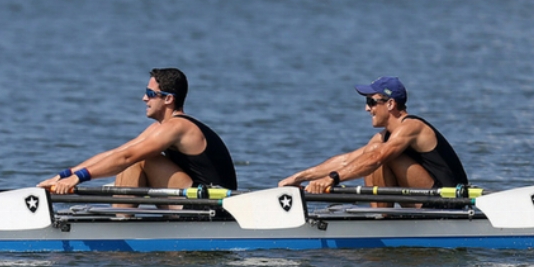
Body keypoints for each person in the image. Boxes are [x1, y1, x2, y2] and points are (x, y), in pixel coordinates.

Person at [39, 68, 237, 194]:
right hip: (191, 196)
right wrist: (64, 175)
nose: (144, 98)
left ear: (168, 99)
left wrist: (78, 179)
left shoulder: (178, 127)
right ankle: (121, 222)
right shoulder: (159, 128)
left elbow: (127, 157)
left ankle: (121, 227)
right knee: (129, 157)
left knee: (139, 158)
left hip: (212, 204)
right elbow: (117, 153)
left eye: (151, 94)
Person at [279, 76, 468, 200]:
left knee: (376, 155)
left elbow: (376, 158)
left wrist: (332, 179)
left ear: (391, 104)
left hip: (449, 201)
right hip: (424, 199)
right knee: (371, 152)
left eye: (371, 102)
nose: (367, 108)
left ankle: (381, 223)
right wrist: (298, 177)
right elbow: (346, 160)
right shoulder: (384, 136)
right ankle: (381, 219)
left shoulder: (412, 126)